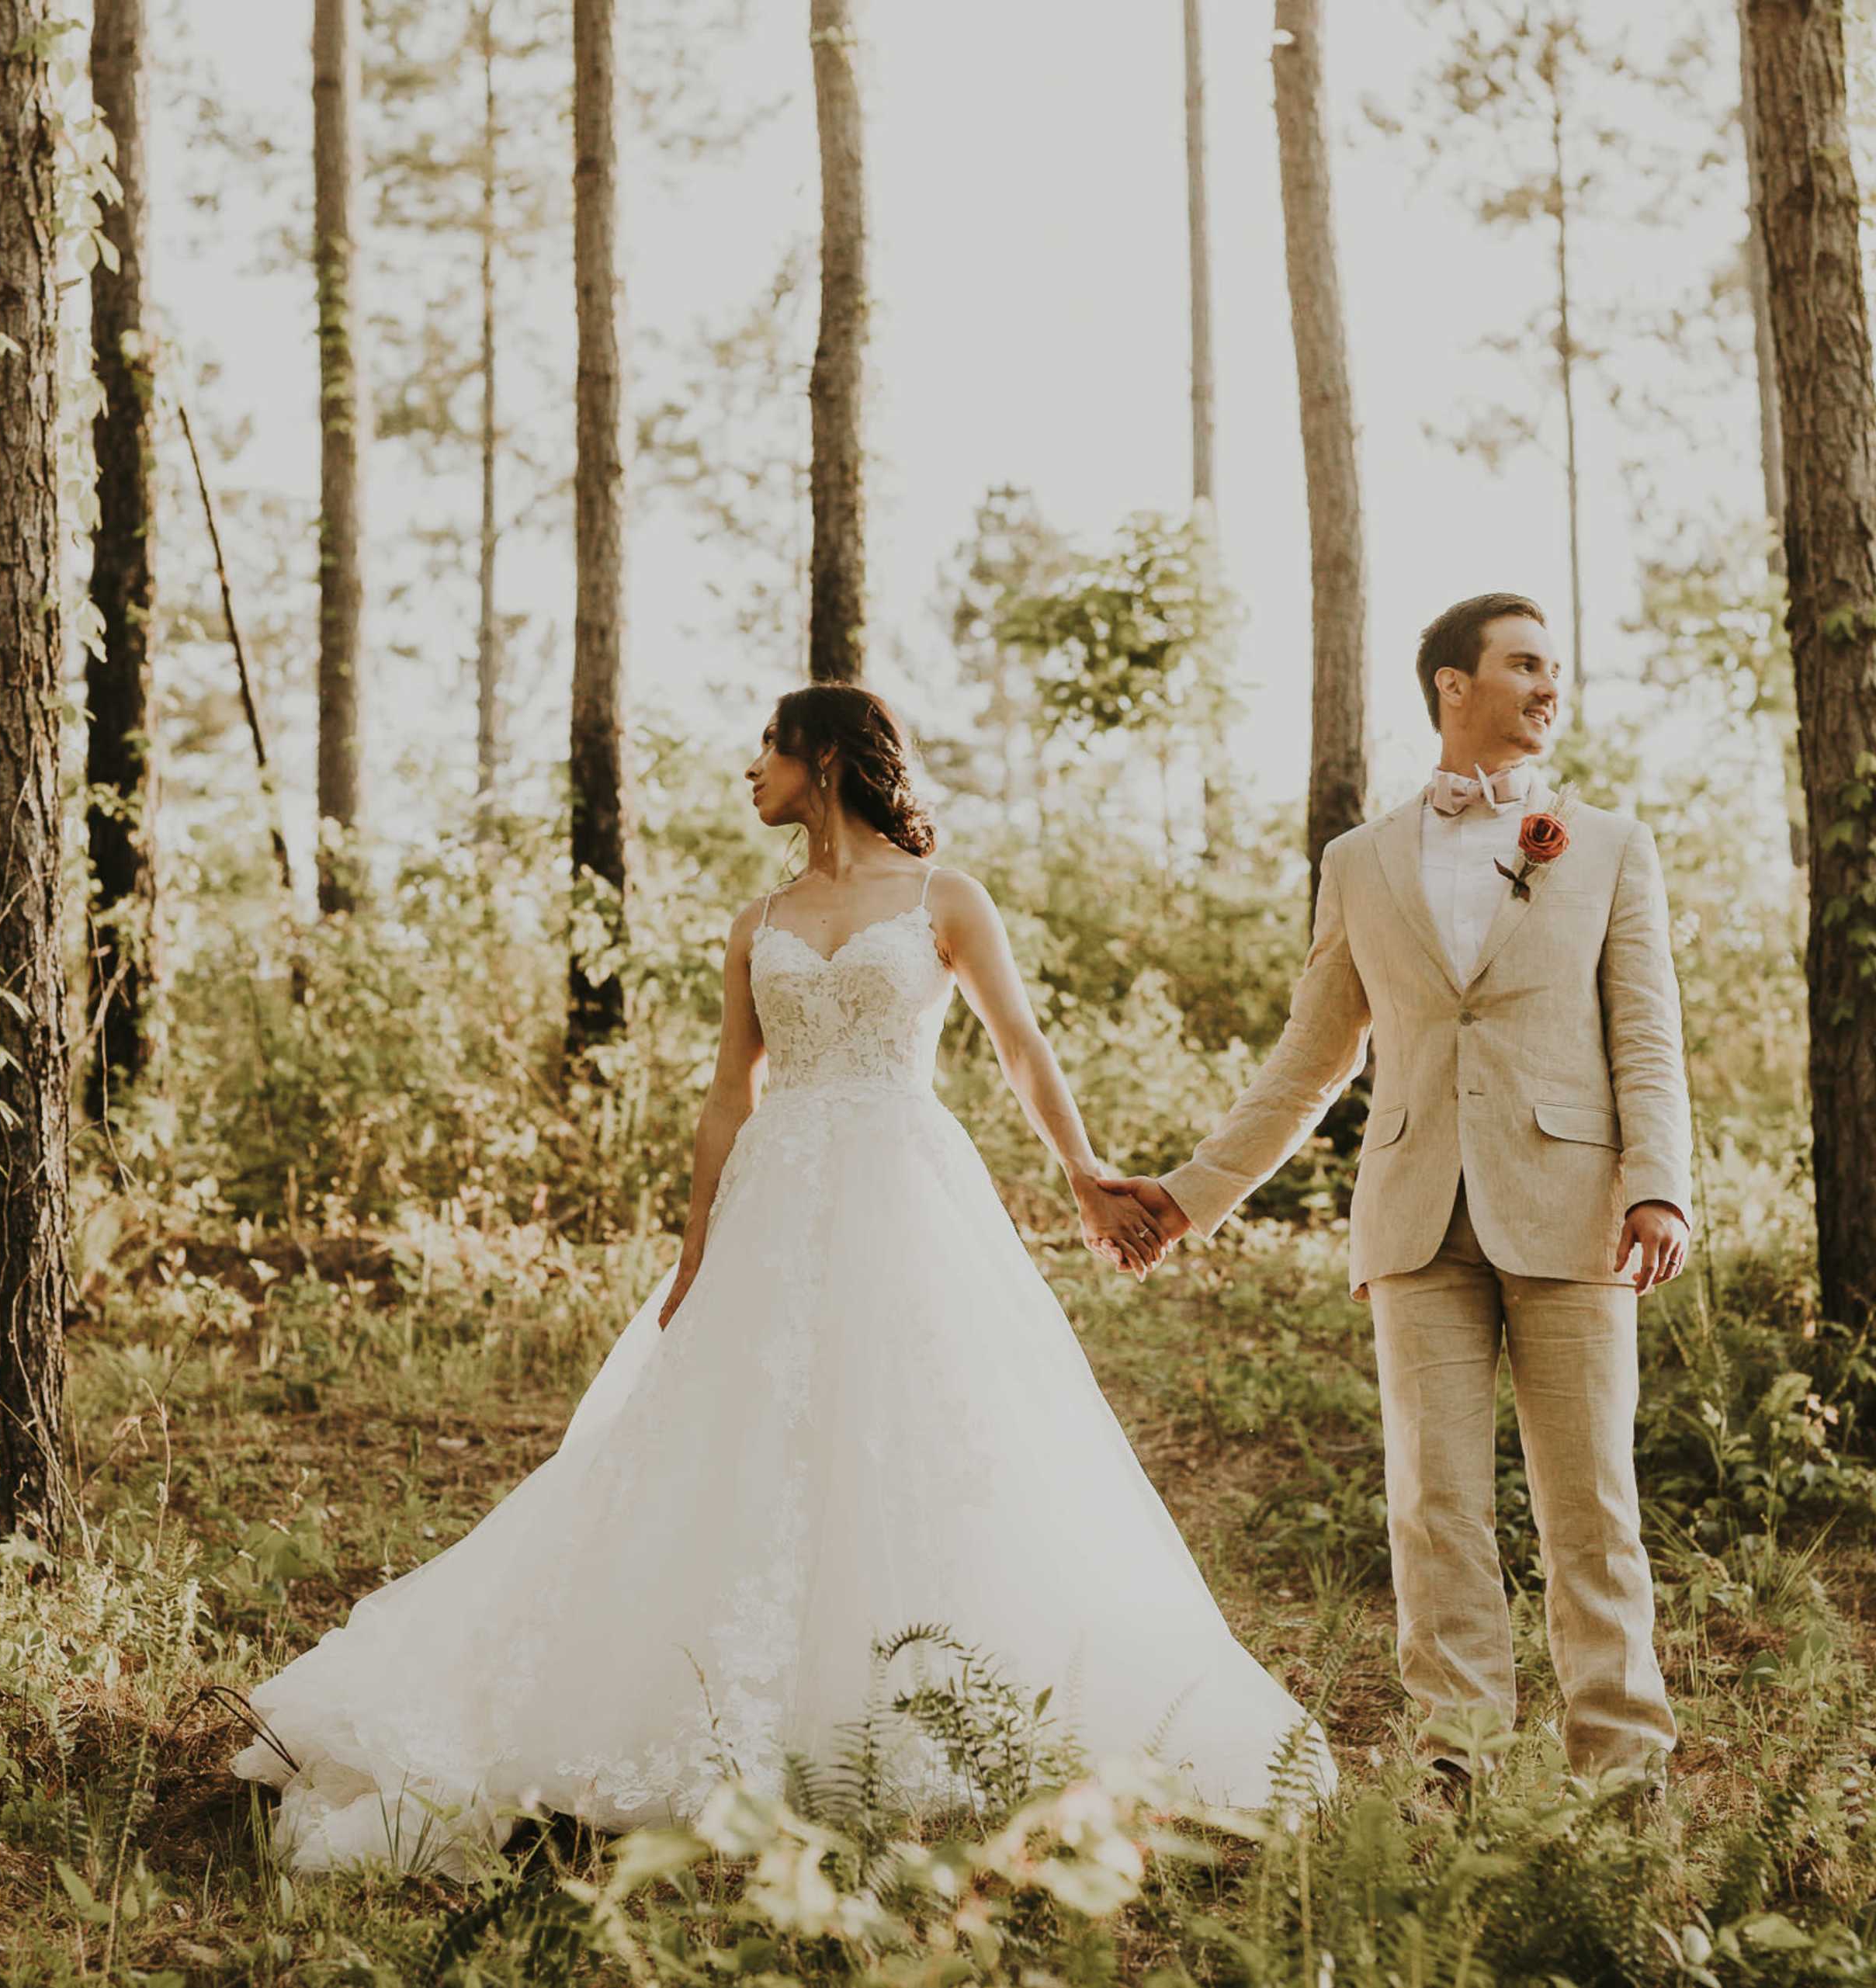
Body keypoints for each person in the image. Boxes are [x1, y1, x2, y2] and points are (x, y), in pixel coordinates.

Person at [231, 683, 1330, 1875]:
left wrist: (1082, 1176)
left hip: (908, 1190)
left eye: (767, 748)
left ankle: (922, 1722)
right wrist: (697, 1247)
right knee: (735, 1440)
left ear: (823, 757)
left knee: (925, 1437)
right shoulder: (758, 919)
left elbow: (1020, 1045)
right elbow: (726, 1093)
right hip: (777, 1200)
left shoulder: (941, 897)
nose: (750, 770)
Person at [1104, 592, 1693, 1797]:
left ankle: (1621, 1771)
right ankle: (1459, 1765)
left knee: (1592, 1503)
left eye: (1555, 667)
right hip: (1416, 1213)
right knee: (1434, 1508)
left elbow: (1648, 1037)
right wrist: (1188, 1193)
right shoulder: (1361, 860)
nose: (1548, 686)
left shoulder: (1613, 846)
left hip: (1575, 1207)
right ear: (1451, 685)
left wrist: (1660, 1188)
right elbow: (1309, 1061)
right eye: (1524, 664)